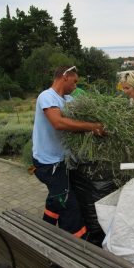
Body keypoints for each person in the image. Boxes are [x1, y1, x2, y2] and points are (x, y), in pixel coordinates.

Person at [32, 65, 105, 239]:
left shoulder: (68, 100)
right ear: (65, 76)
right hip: (49, 163)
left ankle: (44, 230)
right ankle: (77, 246)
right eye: (74, 81)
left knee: (57, 197)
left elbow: (83, 115)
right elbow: (59, 123)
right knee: (69, 206)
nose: (75, 86)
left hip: (63, 161)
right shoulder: (47, 96)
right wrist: (92, 127)